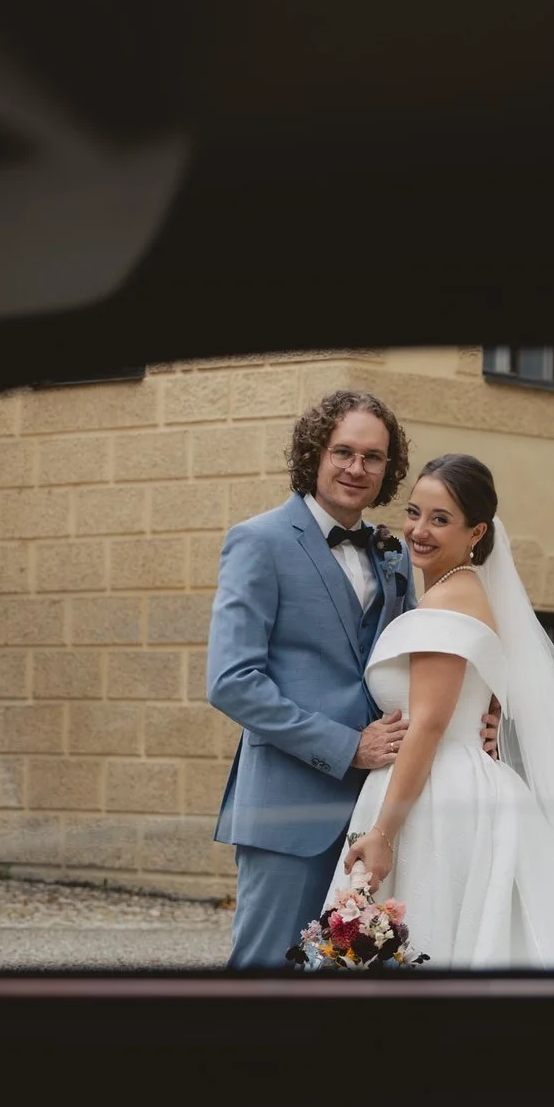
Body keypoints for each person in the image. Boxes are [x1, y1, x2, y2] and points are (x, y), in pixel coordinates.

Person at [334, 453, 554, 971]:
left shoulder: (448, 602)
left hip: (433, 799)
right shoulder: (463, 592)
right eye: (414, 512)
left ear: (476, 531)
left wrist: (384, 834)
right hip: (447, 783)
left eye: (441, 520)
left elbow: (431, 725)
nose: (419, 530)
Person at [206, 390, 423, 968]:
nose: (357, 468)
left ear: (387, 468)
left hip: (373, 814)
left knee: (355, 975)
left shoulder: (394, 553)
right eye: (343, 452)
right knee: (268, 971)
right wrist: (347, 745)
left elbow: (414, 662)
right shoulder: (259, 541)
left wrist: (484, 706)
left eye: (373, 457)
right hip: (288, 811)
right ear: (314, 454)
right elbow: (232, 680)